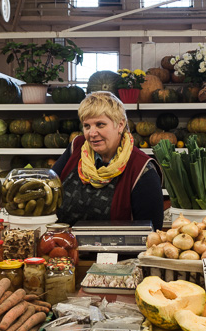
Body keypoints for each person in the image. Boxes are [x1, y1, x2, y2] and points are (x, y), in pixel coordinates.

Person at [52, 92, 164, 230]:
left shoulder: (141, 169)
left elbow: (152, 233)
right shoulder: (77, 147)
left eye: (100, 125)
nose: (92, 133)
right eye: (87, 126)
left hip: (116, 251)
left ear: (120, 125)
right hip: (61, 247)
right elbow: (51, 187)